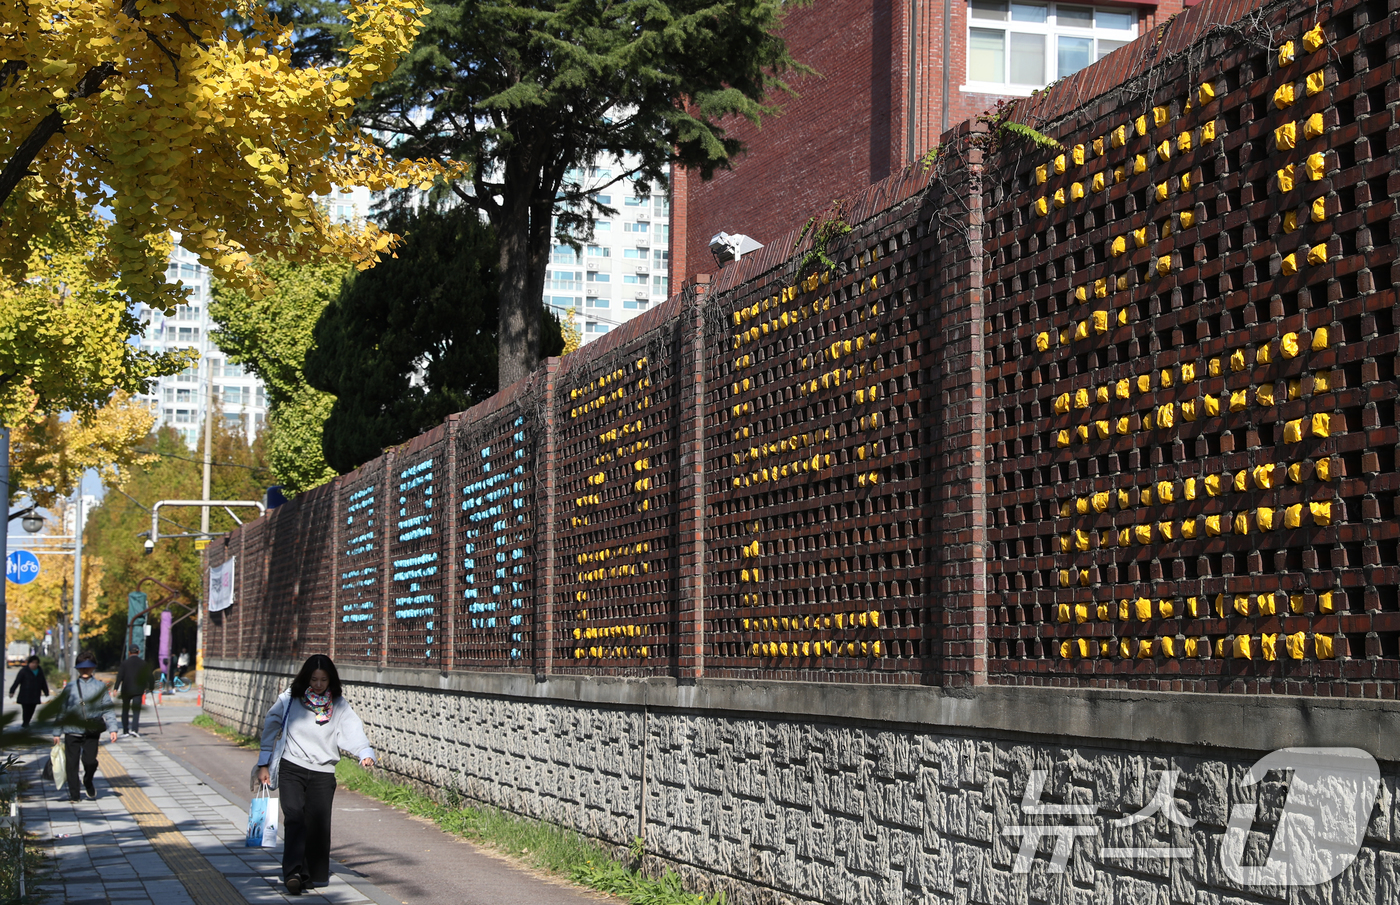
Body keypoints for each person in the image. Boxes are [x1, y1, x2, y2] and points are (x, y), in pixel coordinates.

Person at [255, 655, 375, 896]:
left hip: (323, 772)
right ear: (305, 678)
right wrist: (263, 763)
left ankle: (312, 875)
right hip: (292, 767)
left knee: (317, 825)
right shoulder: (290, 698)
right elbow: (271, 725)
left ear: (331, 680)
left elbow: (351, 730)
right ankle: (293, 873)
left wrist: (364, 752)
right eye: (314, 679)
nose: (318, 684)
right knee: (294, 818)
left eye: (323, 679)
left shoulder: (338, 704)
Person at [53, 651, 119, 802]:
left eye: (88, 667)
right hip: (72, 730)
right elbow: (61, 709)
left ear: (93, 668)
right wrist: (56, 732)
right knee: (72, 765)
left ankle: (88, 781)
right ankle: (75, 795)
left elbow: (107, 708)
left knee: (90, 761)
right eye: (82, 667)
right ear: (77, 668)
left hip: (92, 730)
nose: (85, 670)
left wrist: (113, 729)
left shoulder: (100, 687)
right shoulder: (70, 687)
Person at [112, 646, 152, 737]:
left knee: (125, 710)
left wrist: (116, 688)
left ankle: (125, 730)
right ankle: (134, 730)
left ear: (129, 652)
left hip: (126, 689)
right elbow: (149, 676)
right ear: (139, 652)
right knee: (136, 710)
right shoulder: (143, 663)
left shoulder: (124, 663)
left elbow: (120, 676)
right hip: (138, 690)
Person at [8, 655, 49, 727]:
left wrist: (46, 691)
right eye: (33, 663)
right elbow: (17, 682)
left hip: (35, 694)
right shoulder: (24, 671)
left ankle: (27, 721)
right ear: (29, 663)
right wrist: (12, 691)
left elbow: (43, 682)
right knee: (26, 709)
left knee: (32, 709)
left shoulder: (39, 671)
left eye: (36, 663)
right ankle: (25, 722)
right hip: (25, 695)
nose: (34, 664)